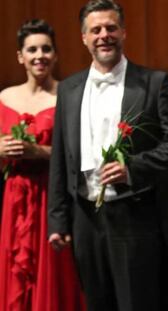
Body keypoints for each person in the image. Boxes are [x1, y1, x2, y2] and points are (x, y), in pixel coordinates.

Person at [47, 1, 168, 310]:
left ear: (124, 32)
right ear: (83, 37)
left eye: (111, 28)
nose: (104, 35)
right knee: (96, 303)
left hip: (134, 215)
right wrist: (58, 220)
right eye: (96, 29)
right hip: (84, 219)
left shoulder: (153, 83)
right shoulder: (69, 88)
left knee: (136, 303)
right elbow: (60, 158)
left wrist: (133, 167)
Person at [0, 19, 84, 311]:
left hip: (53, 194)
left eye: (46, 49)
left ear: (56, 55)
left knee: (55, 270)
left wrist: (38, 150)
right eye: (32, 49)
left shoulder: (68, 94)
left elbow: (78, 154)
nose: (40, 55)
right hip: (15, 196)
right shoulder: (4, 97)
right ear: (20, 56)